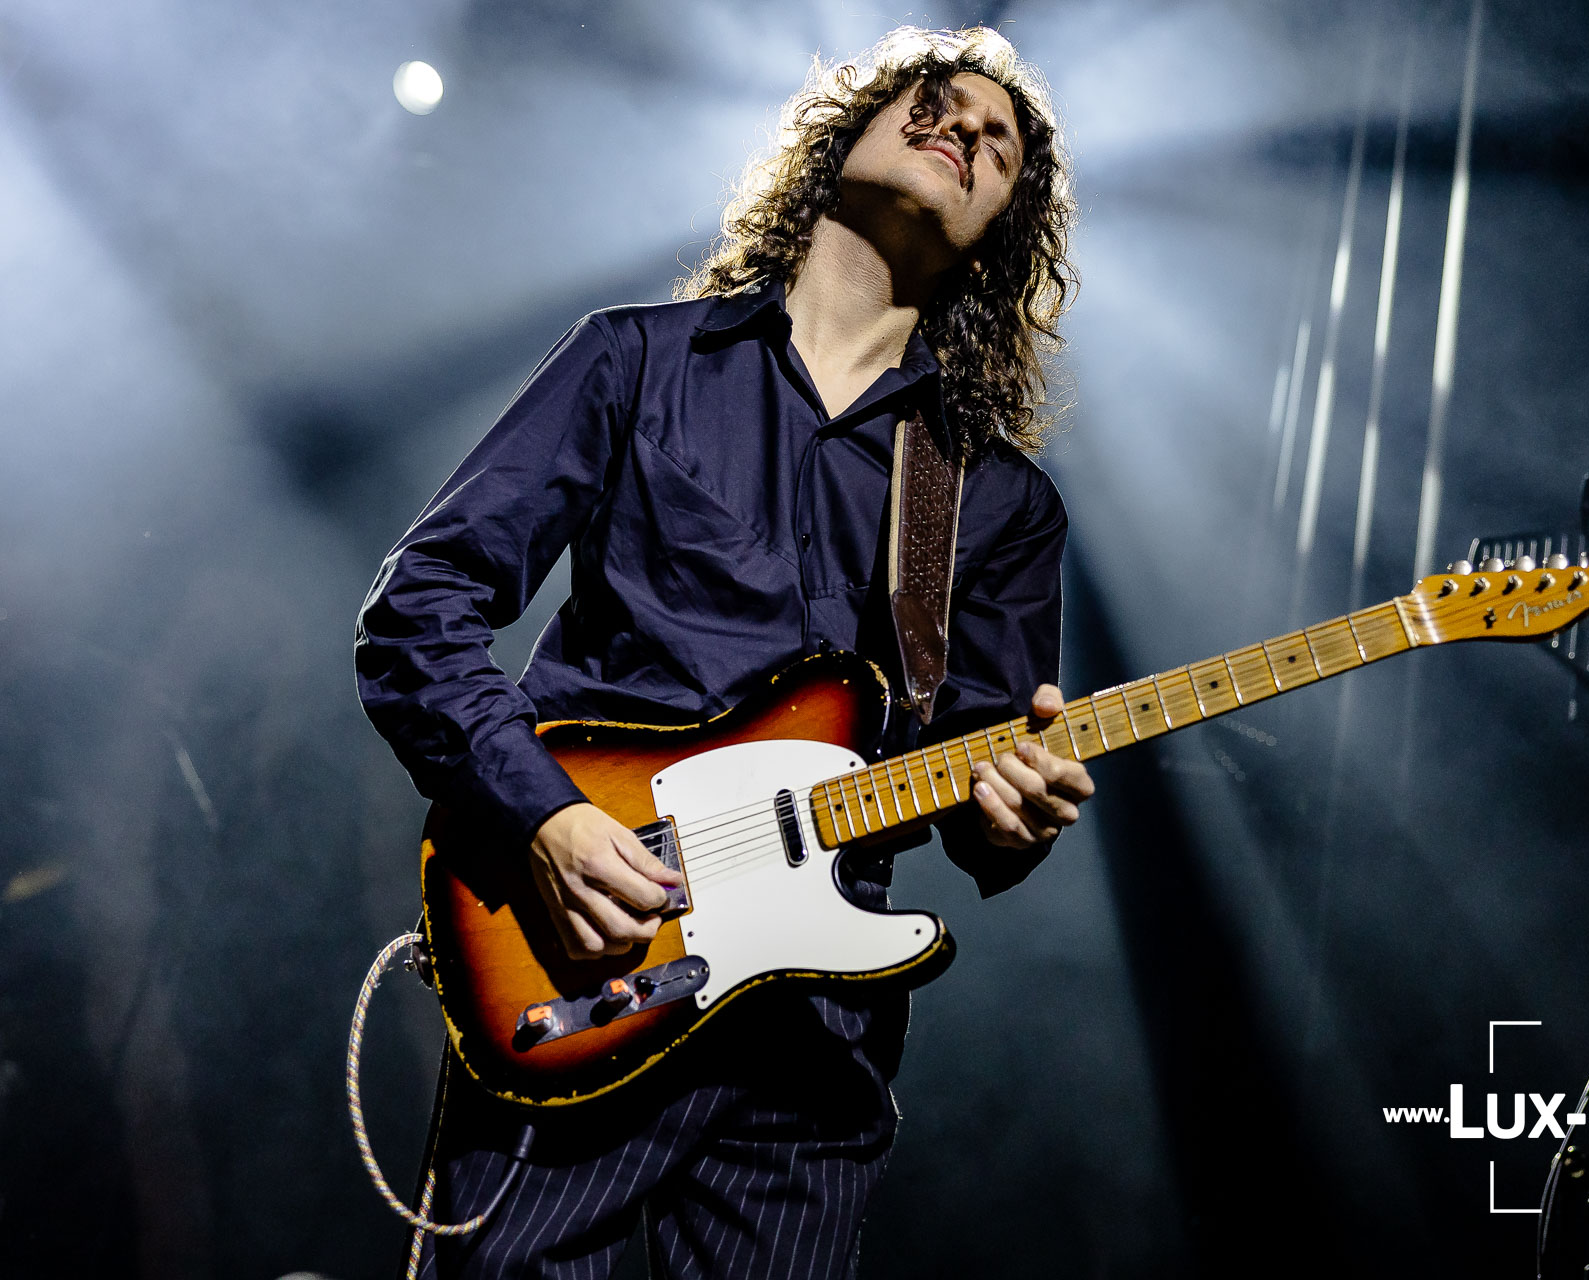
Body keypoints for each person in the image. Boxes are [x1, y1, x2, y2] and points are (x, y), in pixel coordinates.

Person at [353, 25, 1094, 1280]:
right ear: (839, 143)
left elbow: (979, 791)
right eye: (932, 101)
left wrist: (1013, 813)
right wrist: (542, 817)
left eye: (999, 144)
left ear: (998, 236)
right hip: (587, 961)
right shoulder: (635, 360)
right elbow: (418, 609)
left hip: (810, 1047)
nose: (964, 129)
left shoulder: (1000, 504)